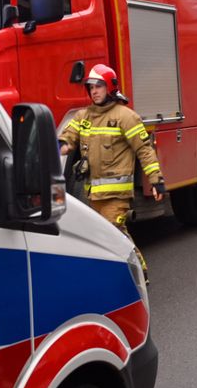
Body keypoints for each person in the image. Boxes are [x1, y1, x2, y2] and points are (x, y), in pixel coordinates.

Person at [59, 64, 165, 270]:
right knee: (101, 239)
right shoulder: (84, 116)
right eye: (90, 87)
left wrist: (156, 180)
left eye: (98, 86)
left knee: (115, 233)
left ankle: (139, 273)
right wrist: (60, 145)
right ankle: (117, 275)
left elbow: (144, 150)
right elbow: (68, 137)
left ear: (109, 87)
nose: (94, 91)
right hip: (93, 195)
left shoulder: (125, 117)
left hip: (116, 195)